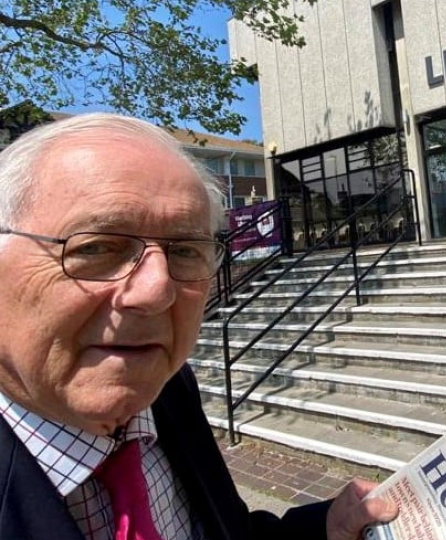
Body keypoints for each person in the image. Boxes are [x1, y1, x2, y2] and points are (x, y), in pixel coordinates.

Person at [0, 113, 398, 540]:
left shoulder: (168, 389)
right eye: (97, 246)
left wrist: (325, 529)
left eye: (187, 250)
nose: (158, 290)